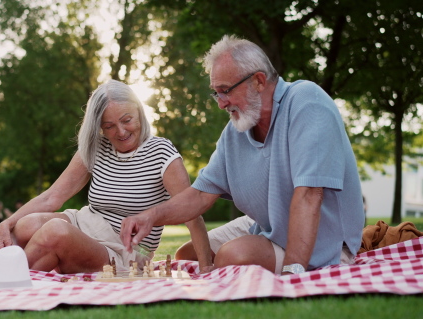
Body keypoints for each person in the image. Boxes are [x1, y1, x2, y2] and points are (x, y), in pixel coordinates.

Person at [120, 35, 365, 275]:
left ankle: (286, 264)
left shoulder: (307, 102)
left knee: (231, 256)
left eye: (225, 91)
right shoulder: (235, 131)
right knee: (189, 253)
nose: (221, 103)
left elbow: (311, 194)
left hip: (323, 242)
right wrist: (150, 217)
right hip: (270, 227)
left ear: (258, 81)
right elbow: (199, 196)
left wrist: (293, 274)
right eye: (216, 93)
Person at [0, 79, 213, 274]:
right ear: (99, 127)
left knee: (54, 231)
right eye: (109, 126)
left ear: (139, 112)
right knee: (25, 225)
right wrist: (7, 223)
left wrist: (206, 269)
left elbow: (192, 213)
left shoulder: (162, 153)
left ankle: (5, 278)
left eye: (127, 120)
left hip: (128, 250)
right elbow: (52, 197)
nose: (121, 132)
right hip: (86, 224)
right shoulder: (95, 148)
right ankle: (5, 271)